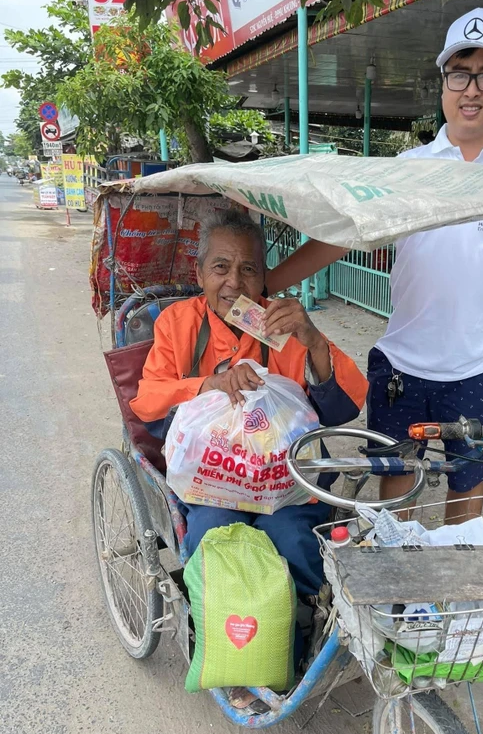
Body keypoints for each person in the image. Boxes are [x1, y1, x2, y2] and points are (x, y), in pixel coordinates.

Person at [266, 7, 483, 524]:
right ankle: (399, 570)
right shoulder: (408, 170)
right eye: (459, 74)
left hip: (479, 369)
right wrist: (266, 282)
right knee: (396, 484)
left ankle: (456, 570)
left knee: (466, 484)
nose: (471, 90)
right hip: (402, 365)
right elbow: (342, 237)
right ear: (444, 82)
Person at [130, 207, 368, 595]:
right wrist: (211, 384)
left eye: (248, 269)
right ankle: (217, 620)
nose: (234, 282)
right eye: (220, 267)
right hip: (211, 482)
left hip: (283, 482)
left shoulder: (282, 324)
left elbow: (342, 407)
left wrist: (313, 341)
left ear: (263, 276)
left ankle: (299, 616)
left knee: (293, 542)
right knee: (214, 537)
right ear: (199, 273)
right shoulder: (177, 323)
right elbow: (150, 401)